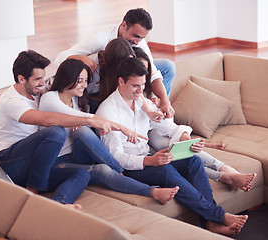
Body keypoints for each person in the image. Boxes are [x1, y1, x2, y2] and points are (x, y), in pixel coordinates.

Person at [96, 57, 248, 236]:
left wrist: (188, 140)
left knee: (193, 162)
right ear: (121, 81)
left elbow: (169, 127)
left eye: (143, 85)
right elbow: (117, 157)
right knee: (166, 171)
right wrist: (150, 161)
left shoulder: (142, 102)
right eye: (135, 86)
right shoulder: (108, 112)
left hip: (149, 157)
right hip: (131, 168)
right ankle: (218, 216)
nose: (140, 90)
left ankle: (210, 222)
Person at [0, 50, 148, 209]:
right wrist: (99, 122)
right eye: (37, 79)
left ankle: (61, 204)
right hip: (12, 160)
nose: (42, 83)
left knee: (82, 173)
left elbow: (68, 71)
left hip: (37, 161)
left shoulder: (38, 90)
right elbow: (47, 120)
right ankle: (33, 191)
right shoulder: (12, 101)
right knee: (56, 132)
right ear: (21, 79)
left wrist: (146, 105)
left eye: (43, 78)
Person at [38, 58, 179, 204]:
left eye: (86, 81)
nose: (84, 85)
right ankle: (141, 185)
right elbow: (85, 117)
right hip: (58, 160)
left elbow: (87, 120)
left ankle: (118, 170)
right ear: (66, 78)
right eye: (80, 81)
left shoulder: (79, 101)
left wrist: (147, 108)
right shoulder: (50, 98)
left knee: (83, 132)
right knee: (100, 169)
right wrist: (121, 127)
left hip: (77, 155)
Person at [133, 46, 256, 191]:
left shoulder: (150, 87)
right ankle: (224, 175)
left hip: (156, 128)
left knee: (169, 145)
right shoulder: (128, 94)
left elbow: (169, 126)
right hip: (141, 137)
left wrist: (188, 140)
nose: (145, 74)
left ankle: (223, 167)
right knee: (166, 151)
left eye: (147, 71)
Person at [55, 8, 175, 118]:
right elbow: (60, 58)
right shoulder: (100, 38)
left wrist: (164, 100)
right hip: (102, 85)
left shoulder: (138, 43)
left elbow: (153, 72)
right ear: (124, 25)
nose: (138, 42)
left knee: (167, 66)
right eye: (136, 36)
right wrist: (79, 57)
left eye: (142, 38)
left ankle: (161, 108)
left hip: (126, 76)